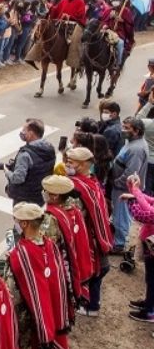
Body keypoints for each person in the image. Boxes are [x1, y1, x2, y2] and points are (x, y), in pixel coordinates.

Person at [7, 202, 70, 349]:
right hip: (53, 313)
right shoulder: (50, 246)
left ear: (24, 224)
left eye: (16, 220)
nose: (15, 223)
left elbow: (12, 292)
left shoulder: (20, 254)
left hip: (31, 317)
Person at [65, 147, 113, 317]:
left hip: (89, 236)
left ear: (83, 164)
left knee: (93, 270)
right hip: (99, 234)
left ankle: (90, 304)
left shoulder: (78, 187)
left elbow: (75, 212)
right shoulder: (92, 181)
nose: (67, 165)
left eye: (71, 162)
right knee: (99, 269)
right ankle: (93, 303)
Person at [40, 175, 93, 315]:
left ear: (55, 196)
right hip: (71, 260)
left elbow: (45, 247)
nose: (43, 193)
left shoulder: (51, 218)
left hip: (60, 267)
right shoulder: (73, 209)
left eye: (45, 191)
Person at [110, 116, 149, 253]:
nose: (123, 130)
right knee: (118, 214)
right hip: (121, 186)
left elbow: (131, 173)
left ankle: (119, 245)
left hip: (124, 188)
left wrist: (117, 182)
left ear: (136, 131)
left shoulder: (137, 149)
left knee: (121, 216)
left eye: (127, 128)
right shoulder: (131, 142)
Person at [121, 174, 154, 323]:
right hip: (150, 244)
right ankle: (149, 302)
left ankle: (150, 312)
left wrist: (134, 195)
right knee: (150, 278)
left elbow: (145, 214)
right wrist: (134, 191)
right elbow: (151, 201)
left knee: (153, 279)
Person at [4, 118, 55, 205]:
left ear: (31, 134)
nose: (22, 132)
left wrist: (7, 171)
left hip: (24, 198)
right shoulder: (49, 148)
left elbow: (17, 178)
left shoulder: (25, 154)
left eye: (24, 130)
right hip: (40, 196)